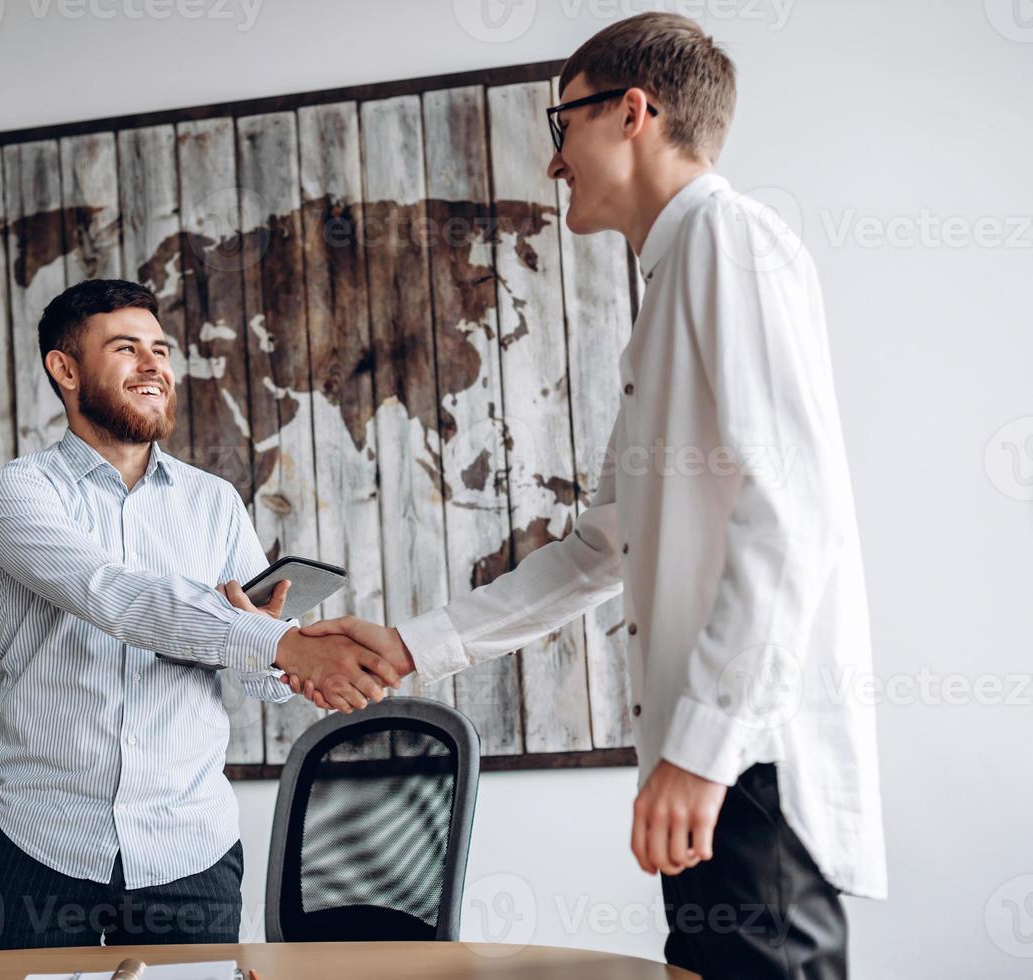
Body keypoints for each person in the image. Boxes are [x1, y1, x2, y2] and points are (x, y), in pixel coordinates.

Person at [287, 13, 886, 978]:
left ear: (633, 112)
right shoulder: (670, 292)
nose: (554, 159)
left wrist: (701, 750)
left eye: (561, 123)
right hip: (715, 772)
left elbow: (792, 518)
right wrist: (412, 648)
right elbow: (598, 551)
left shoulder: (730, 241)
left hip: (748, 770)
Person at [0, 278, 404, 951]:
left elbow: (254, 670)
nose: (154, 366)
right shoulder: (17, 493)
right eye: (126, 348)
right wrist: (279, 645)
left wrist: (290, 662)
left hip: (189, 854)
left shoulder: (215, 502)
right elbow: (110, 594)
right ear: (65, 368)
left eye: (160, 350)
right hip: (39, 848)